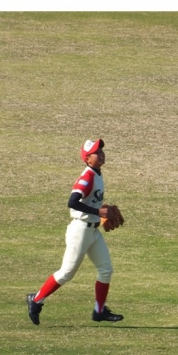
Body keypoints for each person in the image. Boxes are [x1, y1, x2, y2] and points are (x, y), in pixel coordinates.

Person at [27, 139, 124, 325]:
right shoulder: (87, 177)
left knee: (105, 270)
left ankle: (99, 311)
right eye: (96, 152)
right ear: (87, 159)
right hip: (80, 231)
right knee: (66, 273)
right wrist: (97, 212)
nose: (101, 154)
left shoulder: (97, 174)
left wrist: (100, 209)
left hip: (93, 231)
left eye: (101, 151)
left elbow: (89, 201)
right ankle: (36, 300)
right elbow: (72, 202)